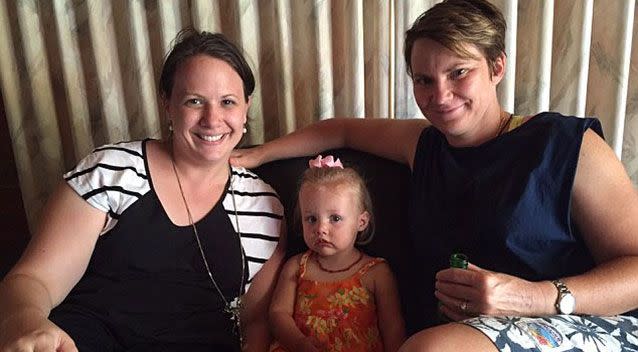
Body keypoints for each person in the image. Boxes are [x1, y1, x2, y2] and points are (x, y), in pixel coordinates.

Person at [231, 0, 638, 350]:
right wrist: (257, 154)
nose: (440, 96)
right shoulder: (423, 144)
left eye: (459, 72)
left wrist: (534, 297)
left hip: (575, 323)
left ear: (497, 67)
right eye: (424, 80)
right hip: (457, 337)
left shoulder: (567, 144)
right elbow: (340, 130)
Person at [0, 30, 285, 352]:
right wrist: (26, 322)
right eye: (194, 101)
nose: (212, 119)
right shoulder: (112, 170)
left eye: (228, 102)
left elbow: (255, 323)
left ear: (246, 106)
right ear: (167, 103)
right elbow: (33, 281)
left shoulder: (265, 205)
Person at [268, 155, 405, 352]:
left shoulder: (376, 273)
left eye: (335, 218)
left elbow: (393, 329)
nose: (321, 228)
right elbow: (278, 314)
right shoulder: (297, 266)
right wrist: (300, 344)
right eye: (311, 218)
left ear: (361, 222)